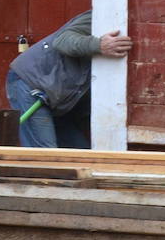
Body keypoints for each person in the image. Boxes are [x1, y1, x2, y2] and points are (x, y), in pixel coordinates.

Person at [7, 10, 133, 149]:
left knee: (79, 154)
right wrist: (98, 45)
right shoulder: (101, 16)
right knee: (45, 156)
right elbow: (62, 40)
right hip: (33, 85)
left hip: (60, 99)